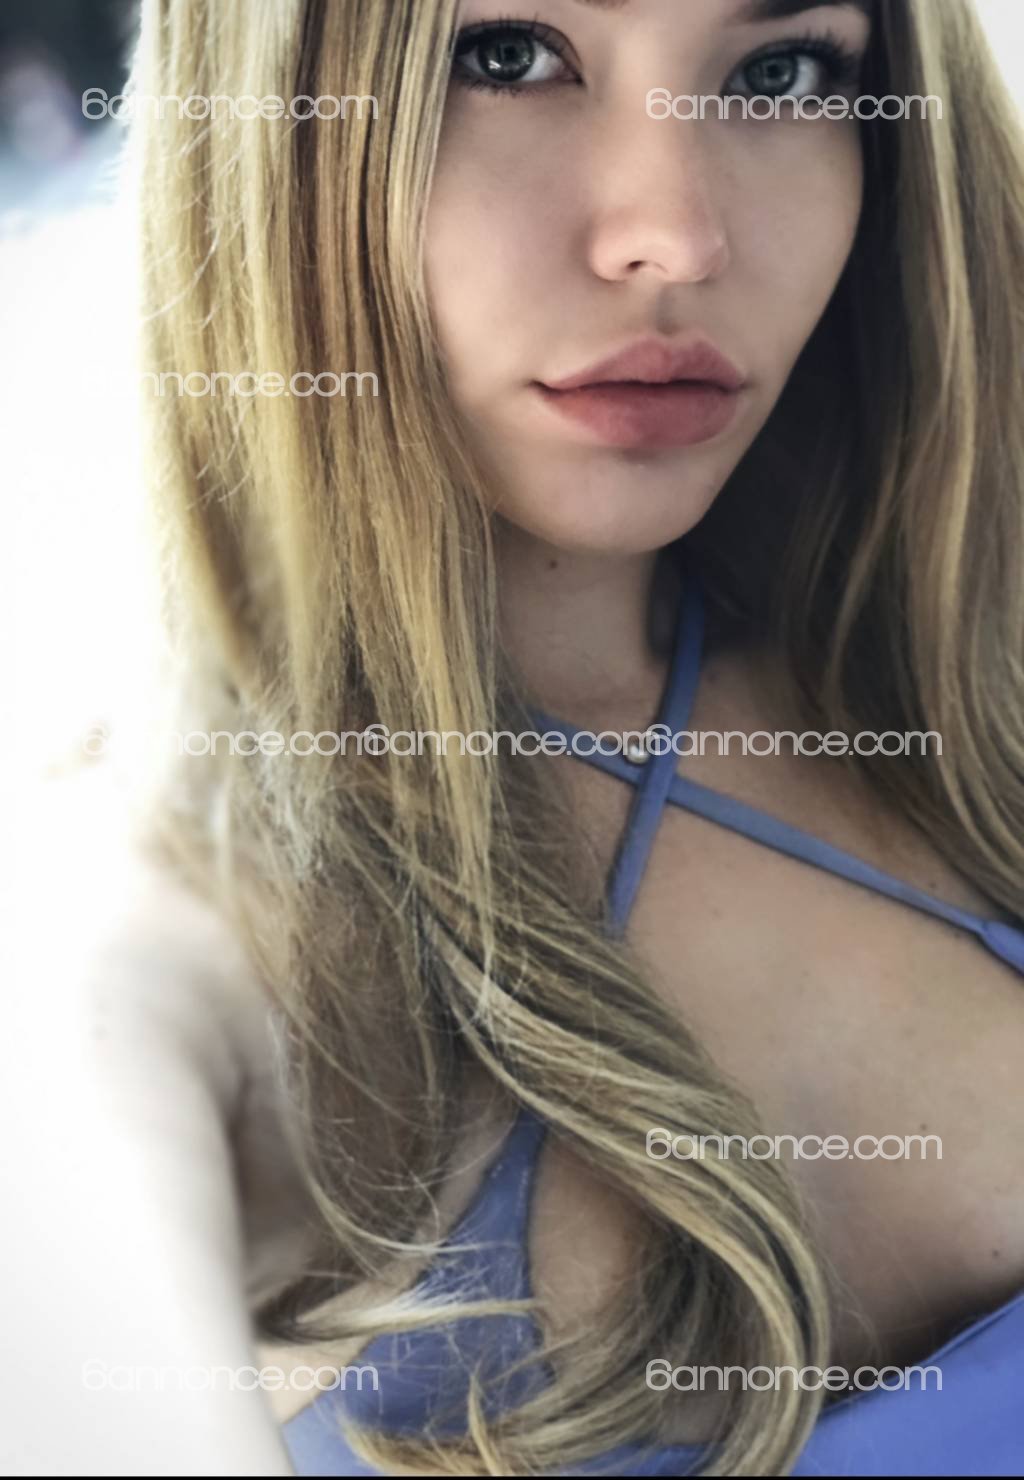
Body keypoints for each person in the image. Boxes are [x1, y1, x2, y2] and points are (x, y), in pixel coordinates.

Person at [9, 0, 1023, 1474]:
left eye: (780, 70)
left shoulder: (964, 695)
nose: (673, 239)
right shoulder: (136, 947)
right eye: (502, 58)